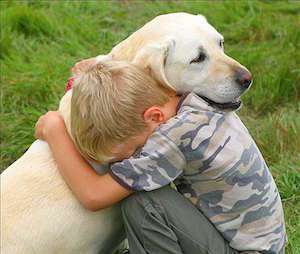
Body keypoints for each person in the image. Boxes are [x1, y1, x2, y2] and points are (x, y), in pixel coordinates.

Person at [35, 61, 286, 254]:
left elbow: (94, 195)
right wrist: (92, 78)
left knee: (144, 203)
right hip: (261, 244)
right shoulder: (188, 96)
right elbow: (130, 77)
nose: (133, 158)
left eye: (133, 151)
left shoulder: (172, 139)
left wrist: (54, 130)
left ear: (154, 117)